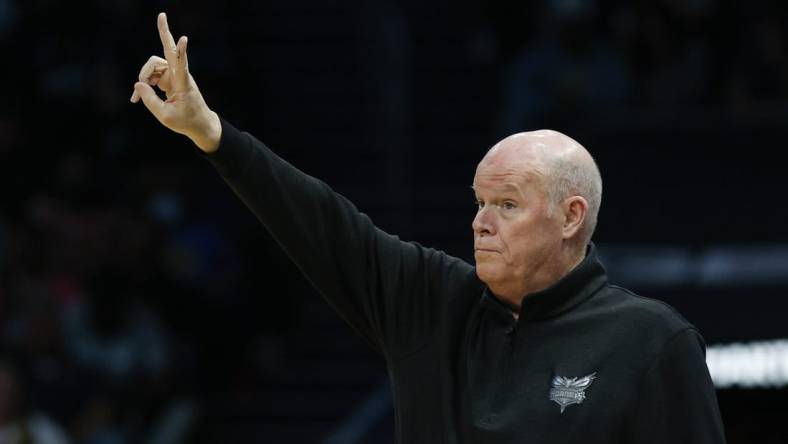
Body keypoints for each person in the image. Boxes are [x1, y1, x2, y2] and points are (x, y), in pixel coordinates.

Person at [130, 13, 726, 443]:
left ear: (572, 217)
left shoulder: (650, 341)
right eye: (478, 202)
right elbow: (323, 222)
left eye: (507, 205)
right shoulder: (433, 301)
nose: (480, 223)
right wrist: (211, 133)